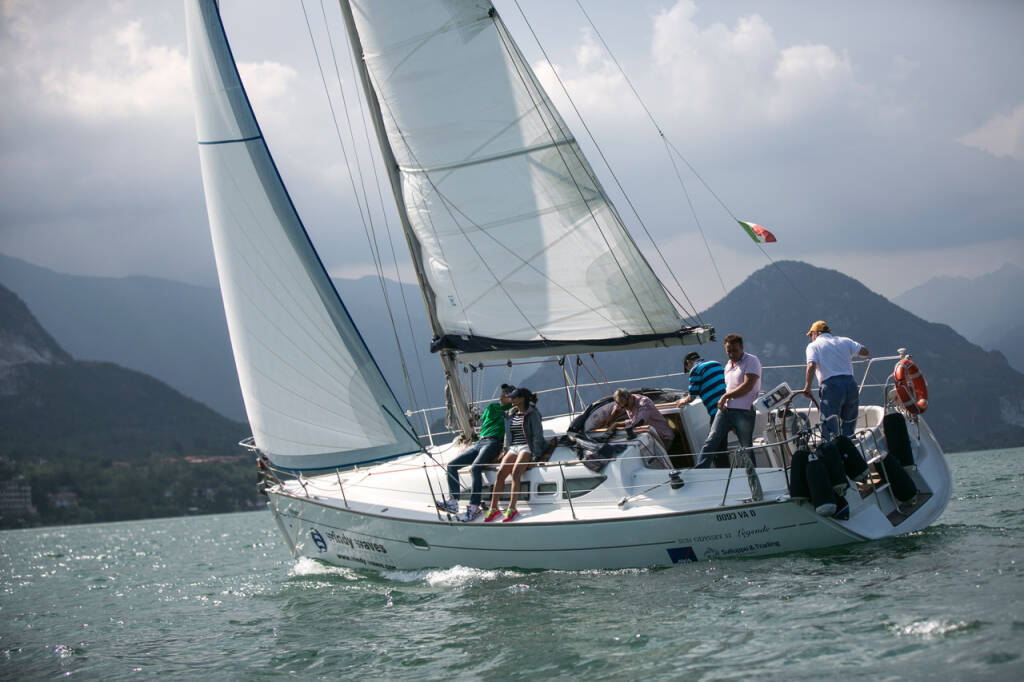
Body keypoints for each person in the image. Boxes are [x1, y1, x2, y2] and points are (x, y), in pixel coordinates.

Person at [695, 334, 763, 500]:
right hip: (725, 411)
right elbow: (730, 387)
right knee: (711, 440)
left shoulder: (751, 361)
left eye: (734, 350)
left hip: (744, 412)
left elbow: (747, 386)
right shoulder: (727, 365)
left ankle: (754, 484)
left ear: (742, 348)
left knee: (746, 447)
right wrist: (725, 400)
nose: (732, 354)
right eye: (728, 351)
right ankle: (698, 474)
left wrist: (725, 397)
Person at [435, 384, 515, 522]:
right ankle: (453, 502)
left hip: (493, 443)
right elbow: (482, 421)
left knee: (475, 468)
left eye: (506, 393)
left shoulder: (512, 411)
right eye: (503, 392)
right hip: (480, 442)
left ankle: (474, 506)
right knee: (451, 466)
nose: (502, 395)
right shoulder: (491, 407)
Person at [800, 320, 870, 440]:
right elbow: (865, 352)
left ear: (815, 333)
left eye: (811, 335)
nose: (811, 338)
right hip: (850, 384)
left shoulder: (813, 346)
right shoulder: (845, 341)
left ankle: (832, 451)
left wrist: (807, 387)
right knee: (849, 423)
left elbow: (811, 365)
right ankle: (849, 449)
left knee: (830, 425)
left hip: (831, 386)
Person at [485, 388, 545, 523]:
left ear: (522, 399)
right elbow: (508, 434)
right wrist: (506, 451)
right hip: (513, 447)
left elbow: (537, 434)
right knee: (500, 473)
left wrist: (536, 454)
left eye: (513, 397)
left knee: (516, 472)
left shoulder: (532, 413)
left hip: (526, 446)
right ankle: (493, 508)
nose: (511, 399)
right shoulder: (511, 413)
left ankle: (512, 508)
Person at [677, 351, 726, 423]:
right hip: (730, 403)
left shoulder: (695, 370)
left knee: (715, 433)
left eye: (687, 369)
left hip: (717, 408)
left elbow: (692, 397)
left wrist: (683, 401)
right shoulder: (716, 363)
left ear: (688, 362)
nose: (689, 371)